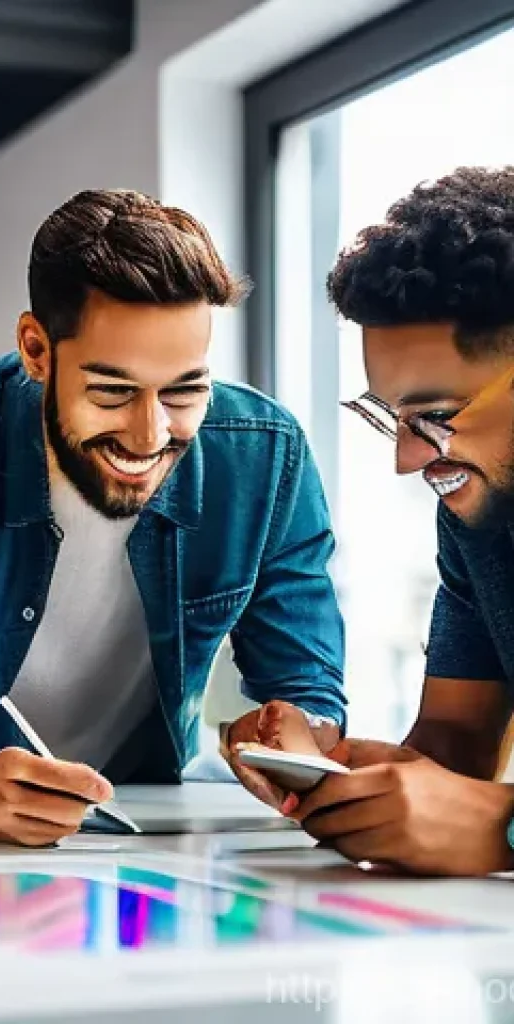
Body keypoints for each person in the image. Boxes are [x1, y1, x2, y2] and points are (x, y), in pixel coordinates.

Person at [0, 188, 347, 846]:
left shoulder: (267, 458)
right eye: (112, 392)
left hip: (145, 832)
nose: (150, 435)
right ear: (36, 351)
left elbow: (308, 685)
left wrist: (295, 738)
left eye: (185, 391)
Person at [250, 167, 514, 877]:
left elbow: (485, 815)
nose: (405, 460)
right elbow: (455, 742)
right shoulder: (479, 521)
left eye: (433, 416)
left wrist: (500, 830)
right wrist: (347, 777)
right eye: (389, 417)